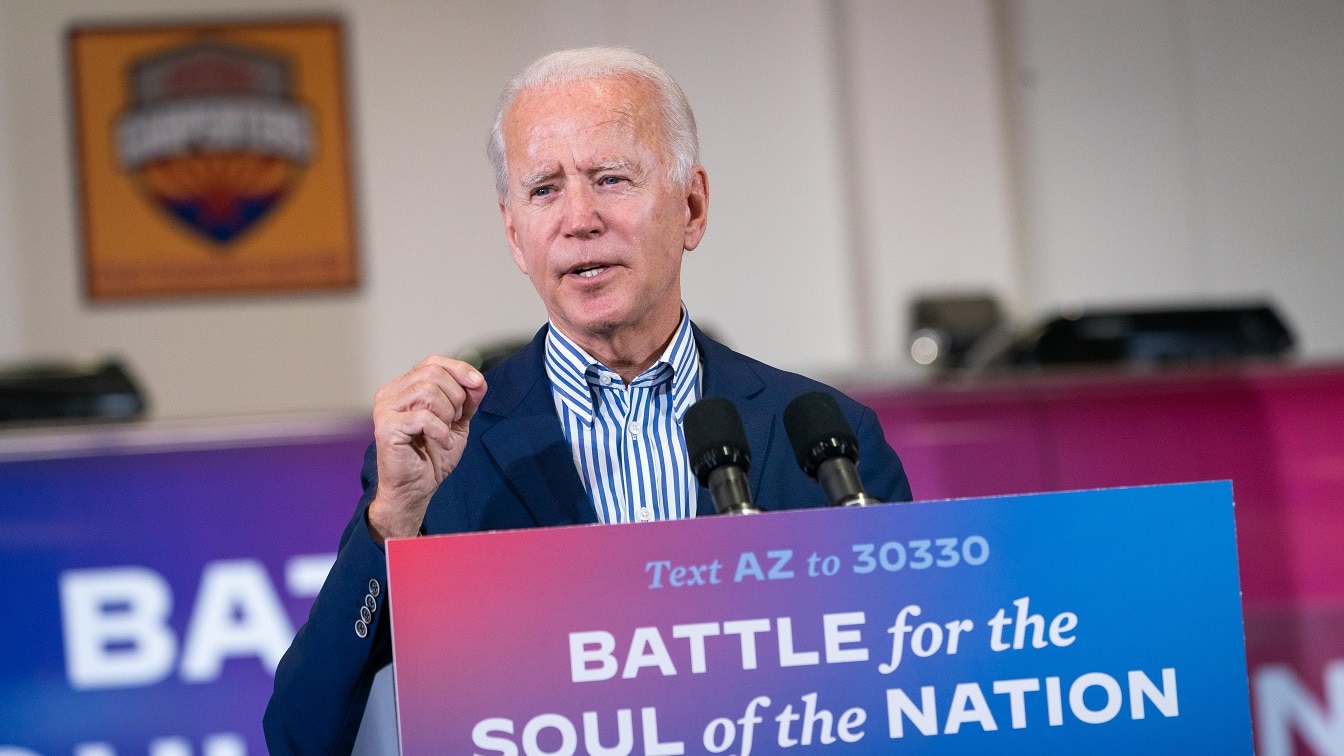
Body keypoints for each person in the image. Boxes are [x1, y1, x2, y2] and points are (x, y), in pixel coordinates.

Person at [264, 46, 912, 753]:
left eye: (611, 178)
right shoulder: (446, 456)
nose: (580, 219)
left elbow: (908, 696)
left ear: (691, 207)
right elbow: (302, 736)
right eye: (544, 189)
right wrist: (391, 524)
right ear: (515, 234)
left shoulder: (823, 439)